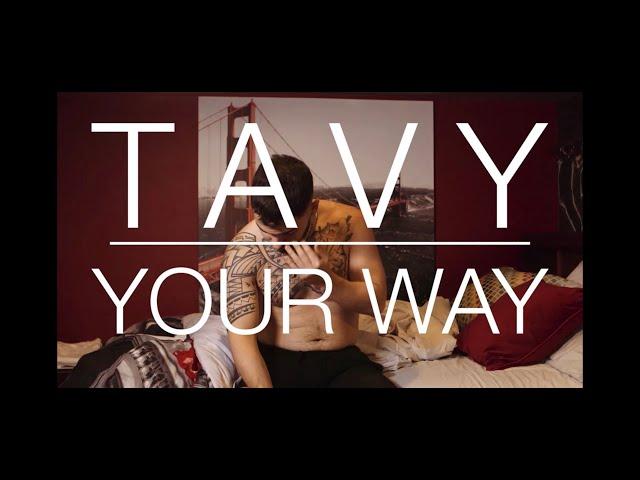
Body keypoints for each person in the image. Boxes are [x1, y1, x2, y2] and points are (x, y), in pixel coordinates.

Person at [222, 154, 396, 387]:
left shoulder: (350, 223)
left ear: (312, 208)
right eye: (268, 232)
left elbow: (376, 304)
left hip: (342, 361)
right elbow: (242, 339)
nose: (277, 244)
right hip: (278, 362)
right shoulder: (242, 249)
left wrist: (327, 282)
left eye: (287, 233)